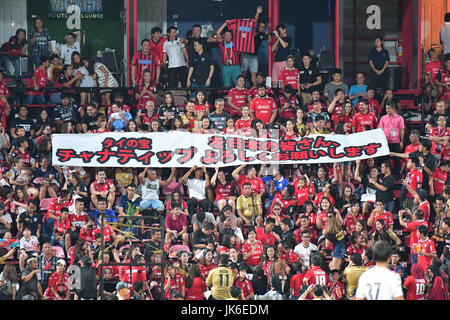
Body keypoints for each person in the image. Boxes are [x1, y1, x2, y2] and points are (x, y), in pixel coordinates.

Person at [214, 22, 242, 88]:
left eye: (229, 35)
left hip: (236, 67)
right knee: (226, 85)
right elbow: (217, 33)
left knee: (240, 84)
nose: (228, 36)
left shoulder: (235, 41)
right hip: (226, 67)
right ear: (223, 35)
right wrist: (225, 24)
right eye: (226, 35)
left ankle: (240, 98)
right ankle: (228, 98)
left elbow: (237, 32)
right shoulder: (222, 42)